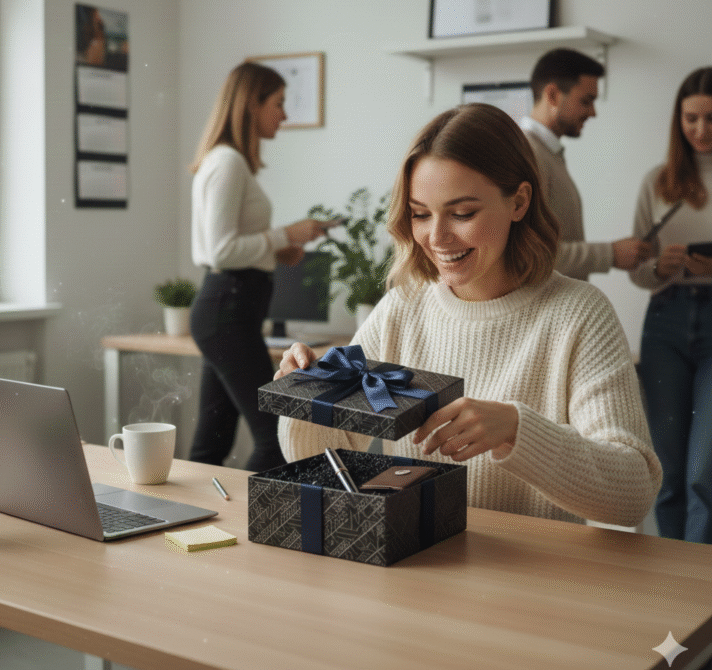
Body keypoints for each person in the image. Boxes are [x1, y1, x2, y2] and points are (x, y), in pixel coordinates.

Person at [276, 103, 661, 527]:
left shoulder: (580, 315)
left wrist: (517, 430)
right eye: (421, 214)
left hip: (531, 585)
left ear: (519, 201)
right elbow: (319, 460)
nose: (437, 237)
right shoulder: (402, 308)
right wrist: (306, 398)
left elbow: (634, 491)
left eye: (462, 213)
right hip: (412, 568)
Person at [189, 61, 327, 472]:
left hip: (230, 310)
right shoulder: (228, 163)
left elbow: (231, 247)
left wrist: (277, 252)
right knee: (275, 438)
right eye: (279, 103)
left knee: (211, 443)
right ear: (252, 104)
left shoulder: (230, 162)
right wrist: (286, 235)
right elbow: (221, 251)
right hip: (227, 310)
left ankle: (199, 522)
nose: (284, 115)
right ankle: (254, 527)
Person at [630, 67, 712, 544]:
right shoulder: (658, 183)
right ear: (677, 119)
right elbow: (638, 272)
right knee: (667, 468)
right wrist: (662, 268)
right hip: (665, 320)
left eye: (710, 118)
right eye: (691, 118)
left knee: (705, 471)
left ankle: (700, 593)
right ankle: (671, 589)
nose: (701, 130)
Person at [521, 48, 650, 280]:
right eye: (586, 101)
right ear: (552, 95)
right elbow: (529, 253)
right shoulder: (529, 154)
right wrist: (610, 254)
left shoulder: (545, 152)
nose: (593, 113)